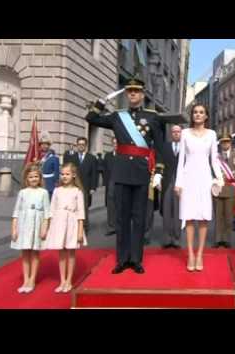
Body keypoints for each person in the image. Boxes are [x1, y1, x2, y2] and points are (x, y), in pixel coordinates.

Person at [86, 76, 164, 274]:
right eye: (129, 91)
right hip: (121, 173)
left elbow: (161, 147)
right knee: (121, 218)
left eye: (136, 91)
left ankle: (136, 259)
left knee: (139, 218)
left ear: (142, 94)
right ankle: (121, 259)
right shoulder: (117, 116)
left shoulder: (153, 117)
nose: (132, 94)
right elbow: (92, 119)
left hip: (141, 173)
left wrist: (159, 173)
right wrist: (101, 103)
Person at [174, 104, 223, 271]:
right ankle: (190, 254)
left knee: (203, 217)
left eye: (201, 112)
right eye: (195, 112)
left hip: (204, 179)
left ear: (206, 116)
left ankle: (200, 254)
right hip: (188, 179)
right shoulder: (185, 133)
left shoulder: (212, 134)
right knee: (188, 217)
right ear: (192, 115)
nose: (198, 114)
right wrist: (178, 183)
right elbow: (181, 160)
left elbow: (214, 160)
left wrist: (220, 179)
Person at [44, 162, 87, 293]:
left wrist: (80, 231)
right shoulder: (57, 191)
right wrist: (48, 227)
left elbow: (81, 213)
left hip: (72, 224)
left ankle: (69, 280)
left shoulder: (77, 191)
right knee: (61, 253)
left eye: (67, 174)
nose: (64, 176)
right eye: (62, 174)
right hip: (59, 223)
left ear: (73, 175)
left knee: (71, 252)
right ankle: (62, 280)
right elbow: (51, 210)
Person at [11, 163, 51, 294]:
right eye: (31, 177)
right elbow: (16, 212)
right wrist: (14, 229)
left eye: (36, 177)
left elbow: (47, 213)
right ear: (26, 179)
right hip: (24, 224)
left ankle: (32, 279)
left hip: (37, 224)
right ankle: (26, 279)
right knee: (25, 254)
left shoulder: (43, 192)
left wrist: (44, 228)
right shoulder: (22, 193)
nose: (33, 179)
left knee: (34, 253)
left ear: (40, 178)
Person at [213, 133, 235, 248]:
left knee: (229, 216)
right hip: (218, 189)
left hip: (231, 189)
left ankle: (226, 239)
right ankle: (217, 239)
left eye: (227, 141)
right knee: (218, 215)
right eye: (223, 142)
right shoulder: (215, 156)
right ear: (220, 143)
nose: (225, 144)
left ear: (231, 142)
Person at [161, 125, 183, 249]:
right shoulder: (165, 146)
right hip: (167, 181)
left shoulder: (185, 147)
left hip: (180, 183)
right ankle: (166, 239)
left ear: (181, 133)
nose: (176, 134)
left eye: (178, 132)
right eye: (174, 132)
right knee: (167, 211)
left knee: (178, 211)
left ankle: (176, 239)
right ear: (171, 133)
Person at [70, 137, 98, 233]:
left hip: (86, 187)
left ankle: (84, 228)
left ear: (86, 146)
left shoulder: (92, 158)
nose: (81, 146)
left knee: (84, 208)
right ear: (77, 145)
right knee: (73, 207)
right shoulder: (72, 158)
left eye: (83, 144)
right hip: (73, 187)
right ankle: (74, 227)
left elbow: (95, 174)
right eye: (79, 144)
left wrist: (93, 187)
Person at [39, 131, 60, 199]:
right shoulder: (39, 156)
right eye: (42, 144)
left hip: (50, 184)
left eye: (46, 144)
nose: (44, 146)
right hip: (40, 183)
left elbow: (56, 172)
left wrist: (56, 183)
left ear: (49, 145)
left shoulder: (54, 157)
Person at [103, 137, 117, 236]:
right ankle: (111, 227)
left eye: (117, 143)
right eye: (114, 143)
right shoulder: (107, 156)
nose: (115, 145)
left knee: (121, 206)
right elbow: (105, 170)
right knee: (111, 206)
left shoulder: (123, 155)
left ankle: (120, 226)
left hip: (121, 183)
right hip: (111, 183)